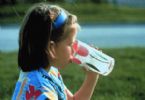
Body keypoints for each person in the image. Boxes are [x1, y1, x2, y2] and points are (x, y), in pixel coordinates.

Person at [12, 2, 99, 100]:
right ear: (51, 48)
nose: (75, 49)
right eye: (71, 44)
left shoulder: (49, 72)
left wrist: (92, 76)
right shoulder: (42, 91)